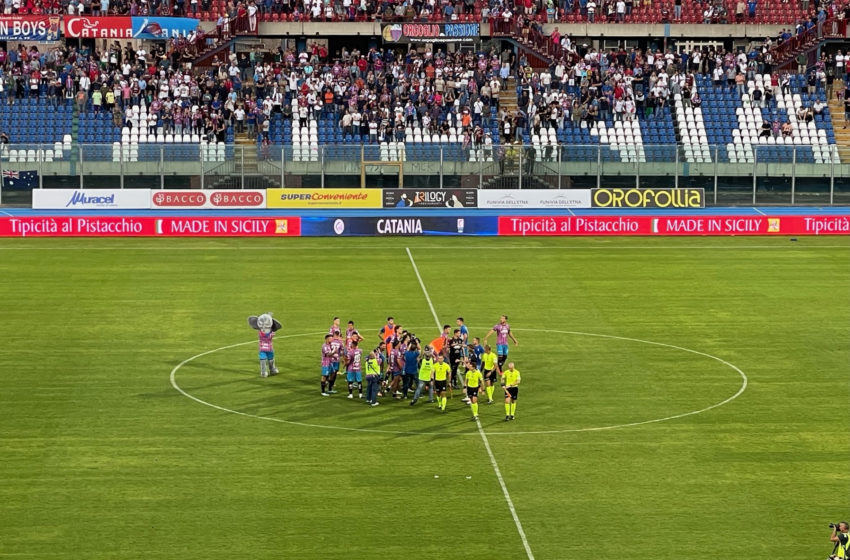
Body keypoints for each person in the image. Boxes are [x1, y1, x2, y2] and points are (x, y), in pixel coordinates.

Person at [248, 312, 281, 378]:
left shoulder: (261, 331)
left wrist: (269, 316)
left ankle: (267, 371)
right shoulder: (265, 333)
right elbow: (267, 338)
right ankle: (269, 370)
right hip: (267, 348)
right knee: (268, 359)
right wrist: (271, 335)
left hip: (263, 349)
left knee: (266, 359)